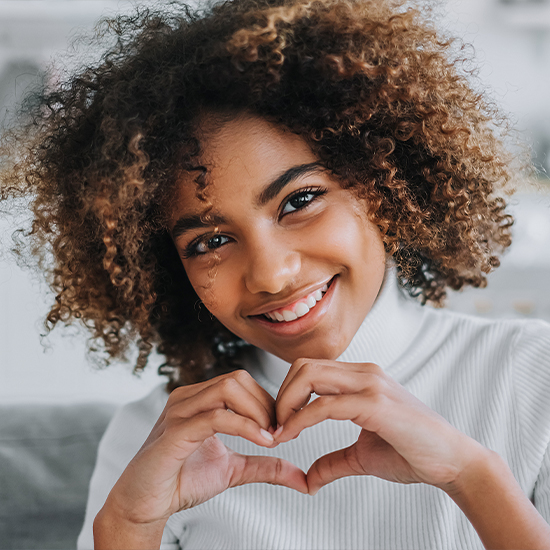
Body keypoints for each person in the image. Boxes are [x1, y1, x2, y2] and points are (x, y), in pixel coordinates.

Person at [1, 0, 550, 548]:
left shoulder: (533, 378)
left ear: (381, 185)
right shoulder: (156, 442)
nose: (271, 275)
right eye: (210, 241)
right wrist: (126, 527)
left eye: (300, 200)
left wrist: (471, 477)